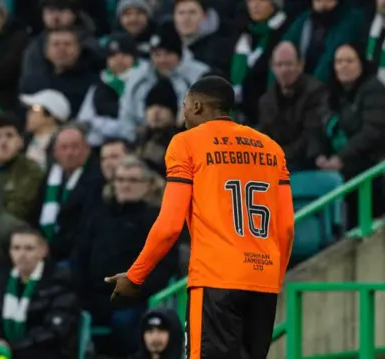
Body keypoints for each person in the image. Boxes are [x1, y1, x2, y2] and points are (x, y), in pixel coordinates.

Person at [105, 76, 295, 359]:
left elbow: (170, 225)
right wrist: (272, 279)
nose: (183, 113)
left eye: (184, 106)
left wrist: (135, 276)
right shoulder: (271, 148)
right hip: (263, 280)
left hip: (217, 278)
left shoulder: (186, 144)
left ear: (196, 106)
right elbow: (287, 227)